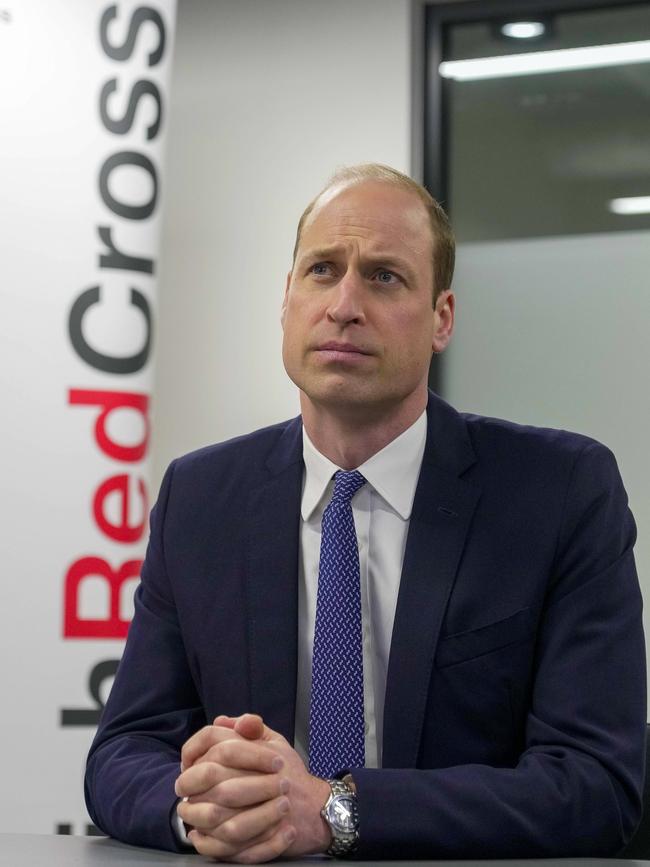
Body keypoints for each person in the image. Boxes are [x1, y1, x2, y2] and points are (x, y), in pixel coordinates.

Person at [85, 164, 646, 862]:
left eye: (384, 276)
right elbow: (123, 751)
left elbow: (598, 782)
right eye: (322, 269)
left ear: (442, 318)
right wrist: (206, 804)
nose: (344, 303)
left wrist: (334, 811)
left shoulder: (560, 492)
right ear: (286, 298)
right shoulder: (200, 497)